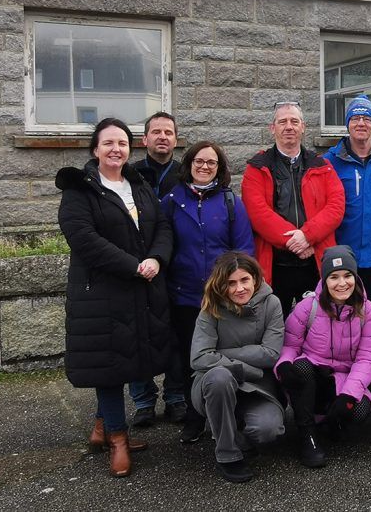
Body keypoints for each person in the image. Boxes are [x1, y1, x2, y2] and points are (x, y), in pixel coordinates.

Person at [56, 117, 173, 478]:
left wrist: (156, 258)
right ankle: (118, 439)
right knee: (108, 367)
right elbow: (84, 240)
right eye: (108, 143)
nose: (115, 149)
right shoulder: (80, 189)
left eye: (121, 143)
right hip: (102, 292)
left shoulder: (137, 185)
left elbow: (162, 225)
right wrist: (134, 265)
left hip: (139, 288)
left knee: (124, 357)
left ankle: (100, 428)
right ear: (95, 149)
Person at [161, 140, 255, 444]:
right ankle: (194, 415)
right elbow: (163, 244)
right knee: (190, 358)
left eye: (211, 163)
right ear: (188, 164)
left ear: (220, 168)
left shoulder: (230, 202)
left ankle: (231, 412)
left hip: (222, 297)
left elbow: (242, 249)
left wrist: (234, 287)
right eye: (199, 161)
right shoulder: (172, 201)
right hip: (185, 296)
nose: (204, 167)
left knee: (223, 357)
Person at [276, 246, 371, 468]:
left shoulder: (368, 310)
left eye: (347, 276)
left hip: (346, 377)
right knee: (300, 367)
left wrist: (349, 396)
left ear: (356, 277)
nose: (342, 283)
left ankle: (332, 420)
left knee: (359, 411)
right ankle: (308, 434)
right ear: (324, 280)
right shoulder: (309, 307)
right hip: (314, 374)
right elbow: (290, 345)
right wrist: (284, 364)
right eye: (334, 277)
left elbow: (368, 358)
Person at [242, 101, 345, 316]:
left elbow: (336, 206)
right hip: (275, 264)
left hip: (314, 261)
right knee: (274, 325)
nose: (289, 126)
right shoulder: (257, 167)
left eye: (294, 121)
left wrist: (307, 236)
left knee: (319, 323)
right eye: (283, 121)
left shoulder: (322, 165)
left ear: (303, 127)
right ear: (273, 128)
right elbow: (257, 212)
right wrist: (296, 242)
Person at [190, 252, 285, 484]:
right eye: (231, 283)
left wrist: (221, 354)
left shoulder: (271, 303)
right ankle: (227, 454)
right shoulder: (210, 307)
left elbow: (271, 354)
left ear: (255, 279)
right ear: (221, 284)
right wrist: (247, 368)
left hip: (257, 385)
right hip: (215, 382)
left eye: (244, 280)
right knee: (220, 378)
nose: (239, 288)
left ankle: (235, 429)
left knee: (268, 430)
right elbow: (200, 358)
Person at [129, 111, 185, 427]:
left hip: (176, 266)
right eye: (156, 132)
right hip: (139, 266)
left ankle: (176, 397)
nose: (163, 137)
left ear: (175, 139)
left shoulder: (184, 173)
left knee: (174, 334)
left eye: (168, 132)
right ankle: (143, 401)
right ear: (144, 139)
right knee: (140, 336)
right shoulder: (130, 175)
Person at [322, 95, 371, 295]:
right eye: (355, 118)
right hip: (341, 257)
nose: (361, 123)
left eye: (367, 119)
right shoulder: (329, 162)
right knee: (342, 317)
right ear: (347, 124)